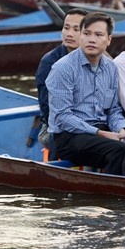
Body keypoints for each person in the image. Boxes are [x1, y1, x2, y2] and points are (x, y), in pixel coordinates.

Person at [46, 12, 125, 175]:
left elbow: (113, 110)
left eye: (98, 35)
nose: (92, 39)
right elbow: (62, 117)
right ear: (80, 36)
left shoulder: (111, 68)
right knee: (119, 151)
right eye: (86, 33)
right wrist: (102, 134)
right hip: (70, 136)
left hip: (99, 131)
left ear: (109, 39)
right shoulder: (63, 68)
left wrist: (121, 130)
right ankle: (110, 195)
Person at [36, 8, 89, 148]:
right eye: (66, 28)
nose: (69, 34)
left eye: (76, 29)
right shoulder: (50, 62)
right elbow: (49, 111)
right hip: (54, 129)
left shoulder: (96, 60)